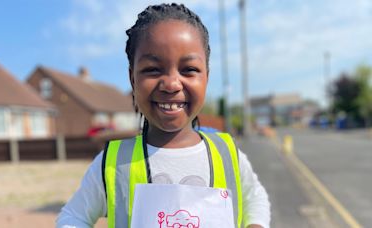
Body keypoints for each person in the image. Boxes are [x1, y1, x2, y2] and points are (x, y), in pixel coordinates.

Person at [57, 3, 270, 228]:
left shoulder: (227, 154)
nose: (171, 84)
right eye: (153, 69)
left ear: (206, 76)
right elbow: (73, 217)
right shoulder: (113, 163)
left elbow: (255, 198)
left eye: (188, 69)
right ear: (132, 79)